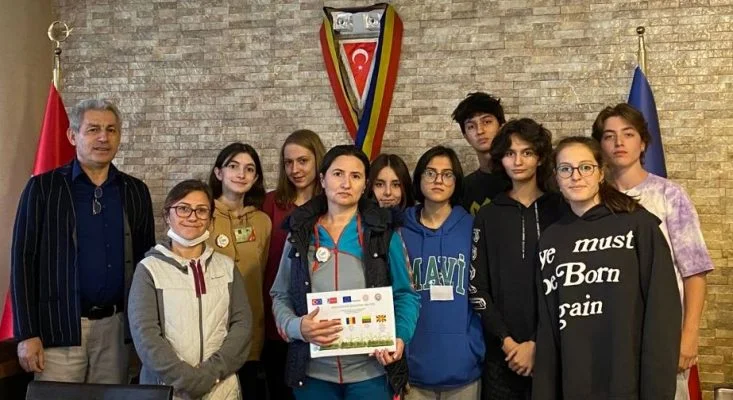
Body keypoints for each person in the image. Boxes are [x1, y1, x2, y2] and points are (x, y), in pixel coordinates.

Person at [11, 99, 155, 383]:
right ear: (72, 136)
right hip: (58, 331)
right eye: (93, 129)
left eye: (111, 130)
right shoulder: (43, 188)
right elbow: (22, 261)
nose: (103, 137)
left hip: (117, 331)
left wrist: (144, 333)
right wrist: (27, 333)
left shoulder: (135, 191)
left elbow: (147, 266)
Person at [533, 136, 681, 400]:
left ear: (601, 173)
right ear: (556, 177)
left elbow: (662, 312)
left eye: (585, 167)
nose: (576, 176)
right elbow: (548, 327)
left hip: (628, 381)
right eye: (566, 169)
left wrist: (657, 389)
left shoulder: (639, 226)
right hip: (574, 383)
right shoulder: (550, 239)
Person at [270, 145, 420, 399]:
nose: (346, 183)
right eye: (338, 174)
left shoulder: (383, 233)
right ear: (322, 179)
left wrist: (399, 337)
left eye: (356, 176)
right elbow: (280, 294)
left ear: (365, 185)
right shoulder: (299, 234)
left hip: (372, 374)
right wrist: (297, 327)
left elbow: (406, 295)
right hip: (312, 374)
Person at [591, 104, 714, 400]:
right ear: (599, 145)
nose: (619, 143)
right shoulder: (590, 198)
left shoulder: (670, 195)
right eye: (609, 136)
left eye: (628, 134)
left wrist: (689, 335)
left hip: (662, 331)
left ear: (643, 142)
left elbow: (694, 272)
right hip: (609, 335)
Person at [128, 179, 252, 400]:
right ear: (167, 216)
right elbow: (145, 335)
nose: (193, 217)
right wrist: (186, 380)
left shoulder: (227, 267)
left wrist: (211, 373)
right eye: (183, 209)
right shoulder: (149, 269)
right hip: (168, 389)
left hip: (221, 388)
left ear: (211, 220)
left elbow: (242, 325)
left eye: (201, 210)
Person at [470, 119, 566, 400]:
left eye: (527, 152)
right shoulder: (487, 215)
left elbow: (570, 287)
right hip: (502, 356)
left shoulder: (561, 210)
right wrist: (508, 342)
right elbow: (476, 287)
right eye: (510, 153)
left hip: (555, 351)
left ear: (540, 158)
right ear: (501, 159)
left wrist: (537, 343)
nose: (518, 161)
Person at [401, 146, 485, 400]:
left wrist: (473, 347)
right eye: (431, 173)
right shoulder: (400, 230)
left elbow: (484, 290)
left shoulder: (473, 228)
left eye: (447, 174)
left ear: (456, 181)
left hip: (463, 368)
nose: (438, 180)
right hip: (413, 370)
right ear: (419, 178)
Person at [262, 129, 326, 400]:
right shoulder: (271, 203)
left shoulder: (331, 203)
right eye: (288, 162)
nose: (295, 169)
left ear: (318, 160)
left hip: (320, 315)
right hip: (280, 311)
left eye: (303, 161)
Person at [208, 142, 272, 398]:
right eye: (233, 166)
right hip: (211, 330)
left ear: (256, 178)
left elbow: (262, 273)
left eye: (249, 169)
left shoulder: (262, 221)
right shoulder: (202, 215)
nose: (241, 174)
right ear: (218, 173)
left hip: (251, 331)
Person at [452, 92, 509, 215]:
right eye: (471, 126)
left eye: (487, 122)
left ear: (501, 127)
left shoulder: (520, 178)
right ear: (465, 136)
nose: (480, 131)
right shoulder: (463, 188)